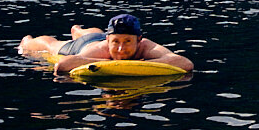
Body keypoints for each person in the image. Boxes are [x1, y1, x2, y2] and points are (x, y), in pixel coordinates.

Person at [16, 13, 193, 75]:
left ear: (139, 40)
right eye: (115, 42)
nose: (121, 49)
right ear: (108, 40)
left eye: (128, 42)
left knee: (93, 32)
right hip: (82, 47)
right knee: (49, 44)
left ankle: (77, 29)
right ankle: (28, 40)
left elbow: (184, 63)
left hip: (99, 36)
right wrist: (115, 64)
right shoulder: (102, 49)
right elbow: (63, 65)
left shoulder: (147, 46)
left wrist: (136, 65)